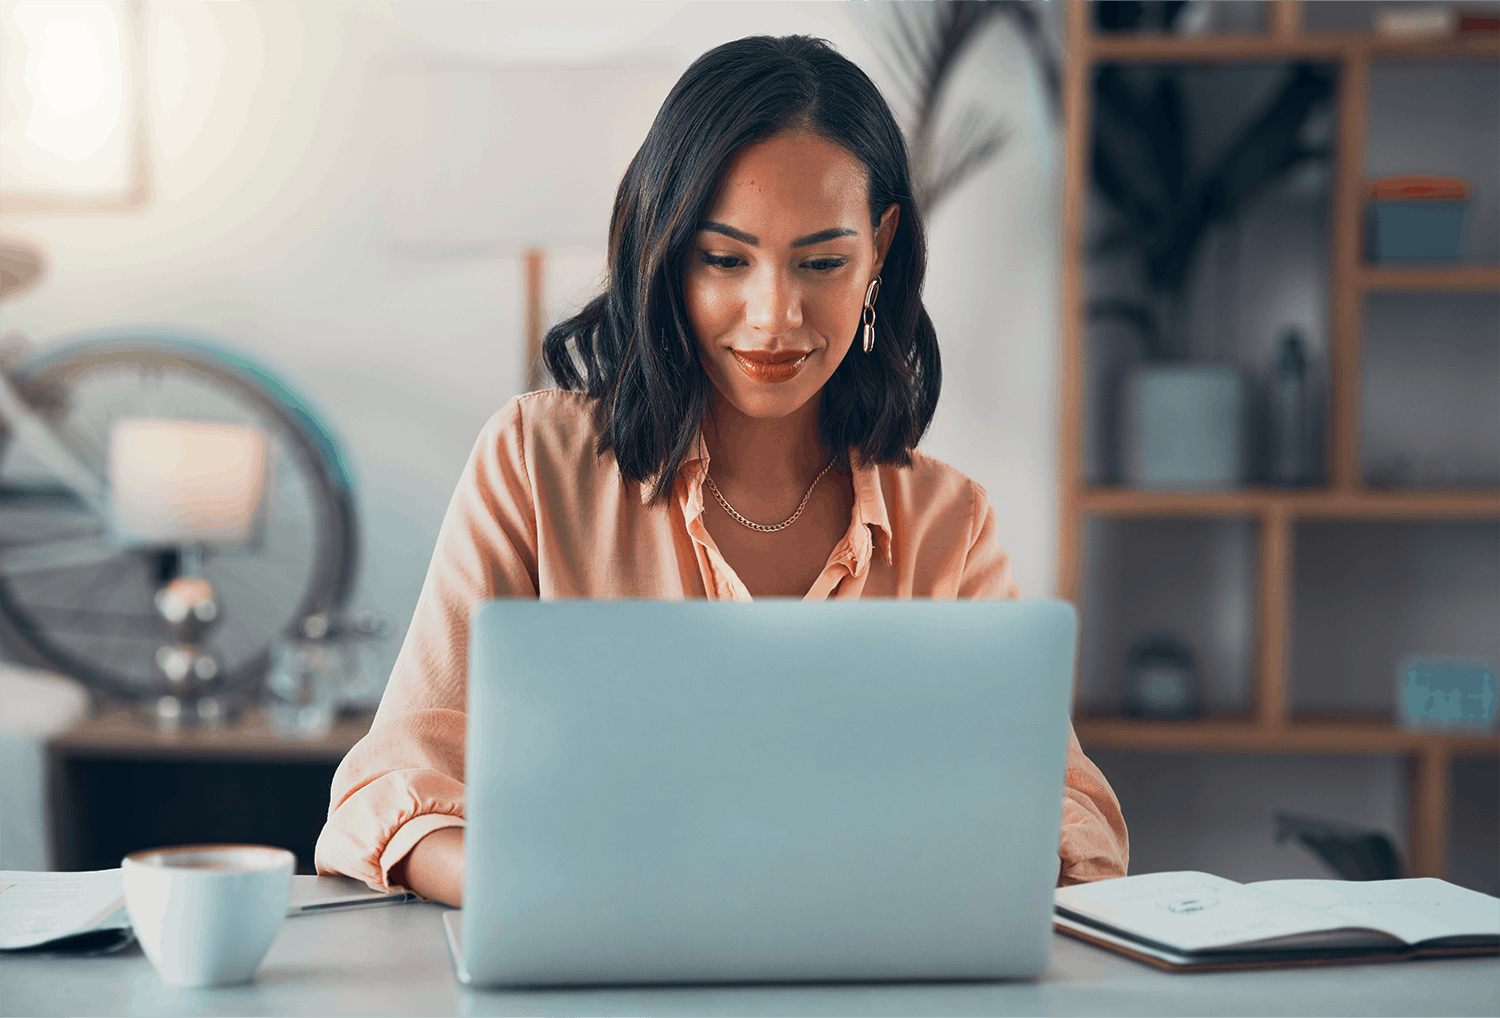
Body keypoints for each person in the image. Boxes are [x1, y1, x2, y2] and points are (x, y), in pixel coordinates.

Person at [315, 35, 1128, 908]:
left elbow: (1067, 811)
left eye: (822, 262)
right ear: (666, 254)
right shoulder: (533, 464)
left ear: (881, 250)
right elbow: (390, 787)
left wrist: (942, 871)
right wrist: (543, 894)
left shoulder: (946, 523)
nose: (775, 316)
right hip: (592, 965)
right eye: (725, 259)